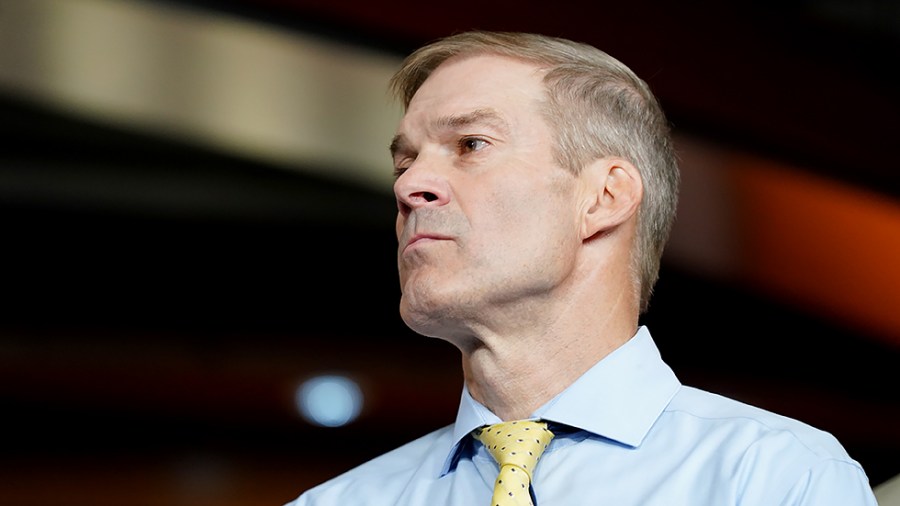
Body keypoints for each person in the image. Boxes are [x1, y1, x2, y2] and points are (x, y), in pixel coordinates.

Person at [285, 30, 877, 505]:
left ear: (603, 198)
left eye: (470, 144)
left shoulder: (775, 480)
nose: (411, 185)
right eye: (405, 162)